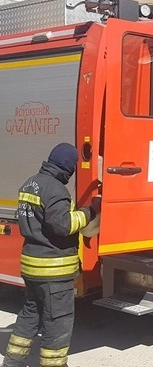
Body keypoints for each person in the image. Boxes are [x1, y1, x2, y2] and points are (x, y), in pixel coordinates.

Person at [2, 143, 99, 367]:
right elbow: (62, 226)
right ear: (67, 167)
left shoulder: (30, 183)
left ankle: (13, 361)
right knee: (58, 322)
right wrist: (90, 211)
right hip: (53, 271)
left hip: (32, 267)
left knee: (30, 314)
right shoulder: (55, 190)